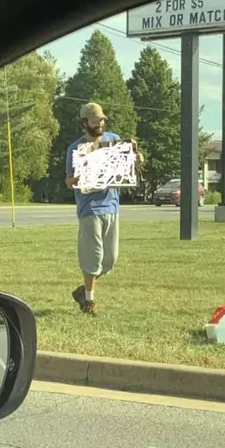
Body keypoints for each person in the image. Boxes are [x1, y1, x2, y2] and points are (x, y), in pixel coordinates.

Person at [65, 102, 142, 315]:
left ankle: (83, 290)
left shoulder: (113, 141)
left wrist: (135, 154)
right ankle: (89, 302)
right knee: (93, 258)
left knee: (109, 260)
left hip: (112, 206)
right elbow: (68, 181)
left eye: (102, 119)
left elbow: (131, 166)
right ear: (84, 122)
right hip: (90, 208)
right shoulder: (75, 148)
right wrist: (82, 175)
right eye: (95, 120)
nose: (100, 123)